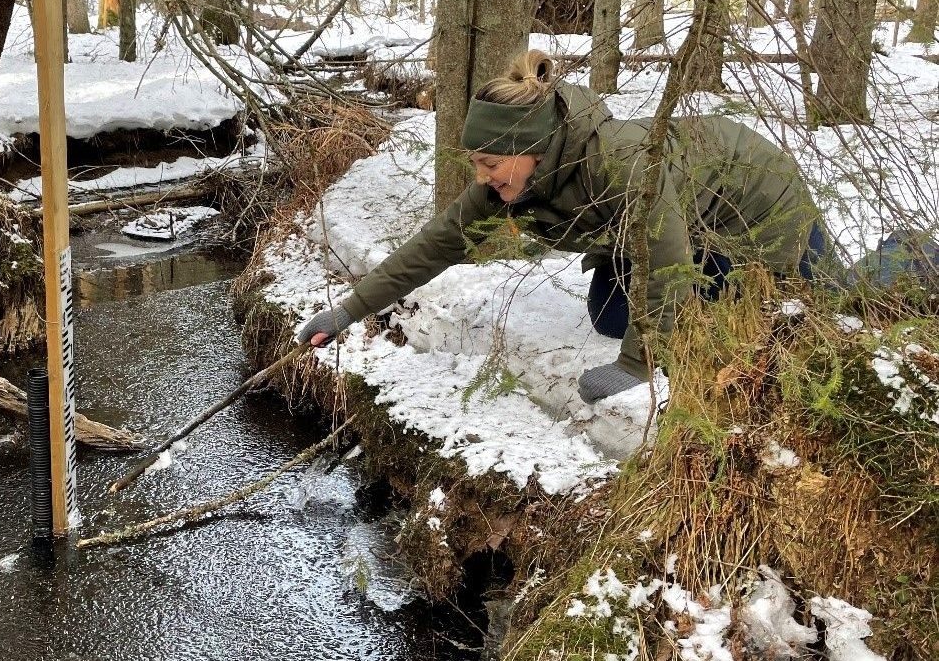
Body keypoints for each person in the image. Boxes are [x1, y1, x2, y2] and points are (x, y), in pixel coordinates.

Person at [295, 50, 830, 403]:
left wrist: (637, 367)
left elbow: (665, 256)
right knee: (609, 310)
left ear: (530, 150)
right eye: (475, 164)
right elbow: (435, 245)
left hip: (757, 205)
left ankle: (902, 258)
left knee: (799, 315)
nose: (480, 178)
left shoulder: (620, 162)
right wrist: (348, 310)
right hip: (684, 219)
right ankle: (707, 292)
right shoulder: (515, 179)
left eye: (489, 164)